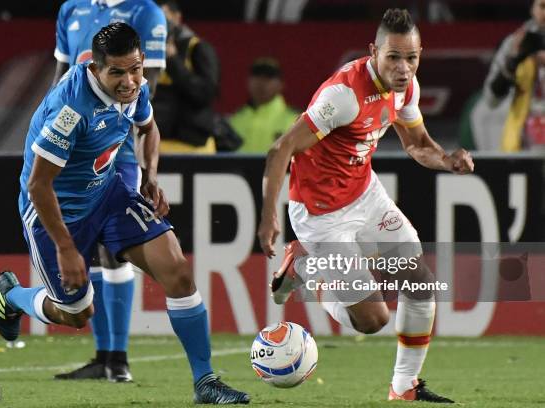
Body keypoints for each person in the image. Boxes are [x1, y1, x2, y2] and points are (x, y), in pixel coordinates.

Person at [0, 23, 249, 405]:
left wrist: (150, 175)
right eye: (117, 72)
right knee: (77, 315)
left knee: (177, 269)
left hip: (108, 194)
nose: (129, 81)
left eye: (135, 68)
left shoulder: (135, 86)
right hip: (57, 212)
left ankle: (205, 382)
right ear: (96, 69)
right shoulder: (71, 109)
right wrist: (66, 249)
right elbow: (38, 186)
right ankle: (12, 295)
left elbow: (148, 128)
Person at [257, 9, 473, 402]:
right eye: (394, 57)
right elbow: (280, 149)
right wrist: (269, 215)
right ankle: (307, 268)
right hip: (320, 213)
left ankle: (404, 387)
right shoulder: (344, 94)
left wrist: (447, 160)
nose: (404, 67)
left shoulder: (407, 87)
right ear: (374, 51)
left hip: (364, 194)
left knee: (420, 282)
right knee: (373, 321)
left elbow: (417, 144)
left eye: (411, 57)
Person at [51, 0, 167, 382]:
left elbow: (143, 85)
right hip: (76, 147)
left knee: (113, 248)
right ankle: (104, 356)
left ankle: (118, 357)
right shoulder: (71, 9)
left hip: (119, 150)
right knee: (87, 248)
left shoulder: (145, 12)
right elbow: (62, 77)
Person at [154, 0, 220, 154]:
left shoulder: (198, 48)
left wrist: (172, 60)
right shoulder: (141, 52)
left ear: (177, 17)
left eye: (162, 16)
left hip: (193, 148)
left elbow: (205, 94)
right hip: (156, 146)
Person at [483, 0, 545, 151]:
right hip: (522, 144)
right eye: (543, 6)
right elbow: (491, 100)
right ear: (532, 9)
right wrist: (512, 63)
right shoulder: (515, 43)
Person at [230, 57, 298, 153]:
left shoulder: (295, 121)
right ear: (248, 81)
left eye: (268, 77)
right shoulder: (233, 121)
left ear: (281, 84)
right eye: (257, 75)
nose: (261, 82)